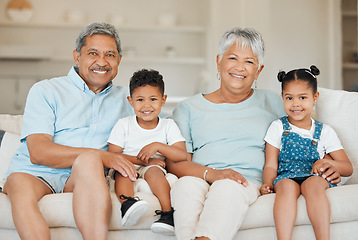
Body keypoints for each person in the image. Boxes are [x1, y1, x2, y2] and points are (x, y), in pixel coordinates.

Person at [2, 22, 138, 240]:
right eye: (93, 53)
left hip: (83, 175)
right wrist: (104, 156)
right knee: (18, 182)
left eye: (110, 55)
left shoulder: (130, 100)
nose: (101, 62)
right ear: (77, 56)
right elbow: (38, 152)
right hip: (34, 173)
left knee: (89, 160)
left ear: (119, 60)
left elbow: (162, 128)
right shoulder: (46, 90)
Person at [166, 27, 286, 240]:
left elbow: (302, 134)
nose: (240, 67)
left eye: (249, 61)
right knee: (184, 187)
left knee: (227, 188)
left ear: (259, 70)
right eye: (233, 58)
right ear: (219, 61)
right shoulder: (188, 108)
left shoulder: (276, 103)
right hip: (199, 176)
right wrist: (214, 174)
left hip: (245, 181)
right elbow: (176, 163)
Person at [260, 65, 353, 240]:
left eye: (302, 97)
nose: (296, 104)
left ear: (315, 97)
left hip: (314, 176)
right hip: (286, 176)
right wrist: (268, 184)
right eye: (289, 98)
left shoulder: (325, 131)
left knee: (313, 185)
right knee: (286, 188)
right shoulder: (277, 127)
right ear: (282, 98)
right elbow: (271, 164)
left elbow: (347, 167)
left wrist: (327, 163)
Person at [107, 68, 187, 235]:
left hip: (154, 168)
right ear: (130, 101)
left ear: (163, 100)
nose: (147, 105)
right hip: (128, 163)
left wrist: (158, 146)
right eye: (140, 99)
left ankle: (167, 214)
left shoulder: (168, 125)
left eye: (153, 99)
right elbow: (113, 155)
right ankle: (128, 204)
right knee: (123, 172)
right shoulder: (124, 124)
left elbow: (181, 155)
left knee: (155, 173)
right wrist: (143, 160)